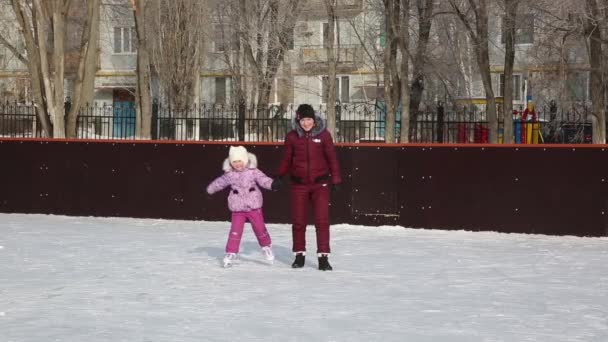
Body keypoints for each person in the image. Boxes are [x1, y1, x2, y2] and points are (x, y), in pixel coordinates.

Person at [275, 104, 342, 271]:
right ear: (299, 120)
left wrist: (336, 179)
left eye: (309, 119)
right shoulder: (292, 137)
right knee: (298, 221)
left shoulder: (324, 135)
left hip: (320, 184)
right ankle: (299, 255)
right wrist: (279, 175)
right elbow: (287, 159)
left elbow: (332, 158)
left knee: (322, 221)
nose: (306, 123)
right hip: (299, 185)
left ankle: (323, 258)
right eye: (303, 120)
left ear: (314, 119)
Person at [207, 146, 281, 268]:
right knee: (235, 230)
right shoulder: (229, 174)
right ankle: (231, 252)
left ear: (245, 160)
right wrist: (209, 190)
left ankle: (266, 246)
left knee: (259, 228)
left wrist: (272, 184)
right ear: (231, 162)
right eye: (234, 162)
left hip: (253, 205)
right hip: (237, 207)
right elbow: (219, 182)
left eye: (240, 161)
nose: (237, 164)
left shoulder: (253, 171)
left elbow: (263, 180)